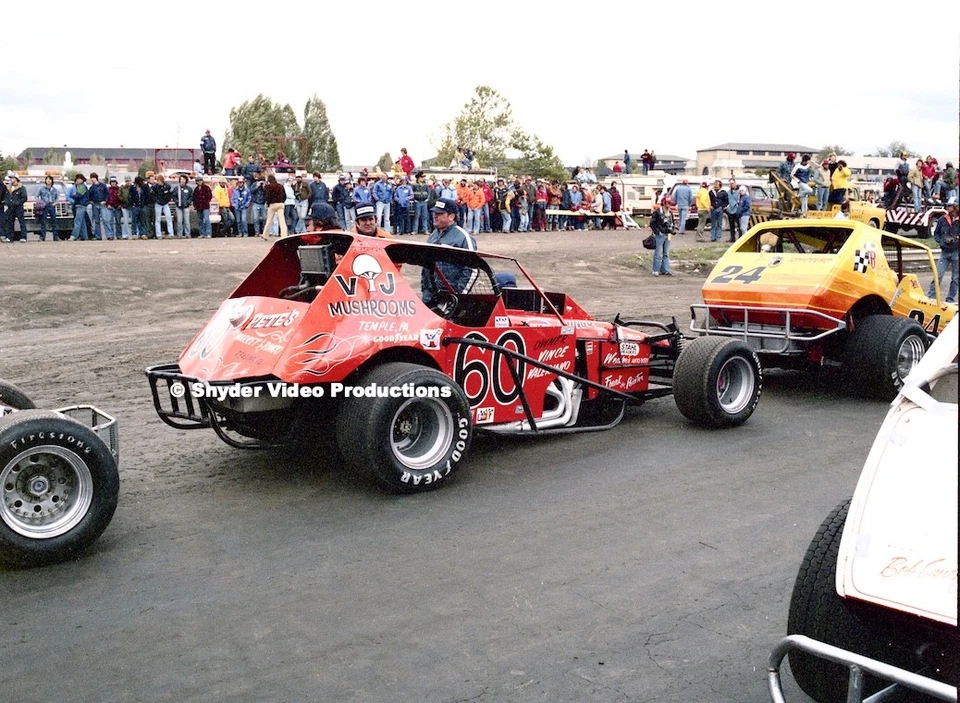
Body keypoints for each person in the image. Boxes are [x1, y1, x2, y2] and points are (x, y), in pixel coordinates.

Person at [421, 198, 477, 306]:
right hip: (430, 294)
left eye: (440, 213)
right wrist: (425, 288)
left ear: (451, 216)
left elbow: (472, 268)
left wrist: (459, 295)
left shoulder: (463, 237)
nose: (435, 216)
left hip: (450, 296)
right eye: (434, 213)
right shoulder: (433, 236)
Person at [927, 202, 958, 303]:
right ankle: (931, 297)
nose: (948, 207)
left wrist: (956, 240)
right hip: (944, 252)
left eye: (950, 206)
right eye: (947, 205)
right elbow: (936, 233)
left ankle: (950, 299)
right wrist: (941, 241)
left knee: (955, 278)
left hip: (956, 252)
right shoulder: (943, 219)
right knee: (938, 275)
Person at [649, 199, 674, 276]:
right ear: (663, 203)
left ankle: (665, 269)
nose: (669, 204)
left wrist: (672, 230)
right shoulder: (657, 212)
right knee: (658, 253)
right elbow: (652, 223)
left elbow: (672, 222)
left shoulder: (670, 212)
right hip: (660, 235)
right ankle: (655, 270)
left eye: (670, 203)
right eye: (668, 203)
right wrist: (657, 232)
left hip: (668, 234)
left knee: (666, 253)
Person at [2, 174, 28, 242]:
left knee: (21, 222)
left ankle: (23, 237)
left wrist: (17, 203)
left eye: (12, 178)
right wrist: (7, 202)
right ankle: (10, 237)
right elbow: (6, 197)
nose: (11, 180)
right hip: (10, 208)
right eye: (10, 178)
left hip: (18, 208)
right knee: (10, 223)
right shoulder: (8, 188)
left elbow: (24, 197)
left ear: (16, 179)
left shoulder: (21, 188)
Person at [261, 174, 287, 240]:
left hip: (272, 204)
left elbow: (267, 196)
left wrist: (268, 203)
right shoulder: (281, 186)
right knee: (282, 221)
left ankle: (265, 235)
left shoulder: (268, 187)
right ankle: (284, 235)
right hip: (280, 204)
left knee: (269, 220)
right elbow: (284, 196)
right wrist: (282, 201)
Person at [36, 175, 59, 241]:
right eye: (47, 179)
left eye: (50, 179)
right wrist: (40, 203)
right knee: (43, 222)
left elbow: (57, 198)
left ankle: (56, 237)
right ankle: (42, 237)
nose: (48, 180)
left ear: (52, 181)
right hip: (44, 206)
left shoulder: (54, 189)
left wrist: (55, 203)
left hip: (52, 205)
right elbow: (37, 196)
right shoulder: (41, 188)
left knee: (54, 222)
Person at [68, 173, 91, 241]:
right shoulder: (80, 186)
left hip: (81, 205)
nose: (77, 180)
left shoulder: (82, 187)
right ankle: (84, 236)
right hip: (81, 205)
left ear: (82, 180)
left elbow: (78, 195)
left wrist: (73, 195)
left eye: (79, 179)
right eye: (77, 179)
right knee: (82, 222)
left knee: (77, 221)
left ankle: (74, 235)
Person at [87, 172, 108, 240]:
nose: (91, 179)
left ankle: (109, 235)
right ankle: (98, 236)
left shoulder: (103, 186)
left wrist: (105, 201)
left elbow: (107, 194)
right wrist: (90, 201)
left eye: (92, 178)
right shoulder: (91, 188)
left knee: (105, 220)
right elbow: (89, 196)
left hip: (102, 204)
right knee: (96, 221)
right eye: (91, 178)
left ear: (95, 178)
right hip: (95, 204)